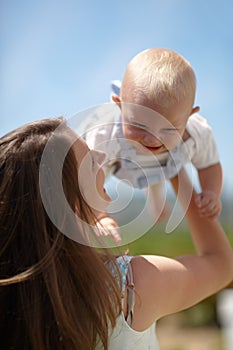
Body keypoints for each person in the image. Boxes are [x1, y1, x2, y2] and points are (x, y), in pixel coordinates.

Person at [1, 117, 233, 350]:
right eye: (92, 162)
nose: (103, 158)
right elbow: (221, 265)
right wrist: (171, 162)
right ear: (71, 202)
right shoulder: (132, 288)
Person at [82, 48, 223, 229]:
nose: (153, 139)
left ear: (189, 116)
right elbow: (88, 178)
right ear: (120, 106)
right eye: (139, 125)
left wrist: (211, 192)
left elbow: (209, 165)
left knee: (157, 176)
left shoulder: (196, 135)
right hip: (121, 165)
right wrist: (100, 216)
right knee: (96, 173)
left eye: (169, 128)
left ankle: (155, 190)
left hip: (164, 165)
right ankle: (153, 190)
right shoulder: (105, 137)